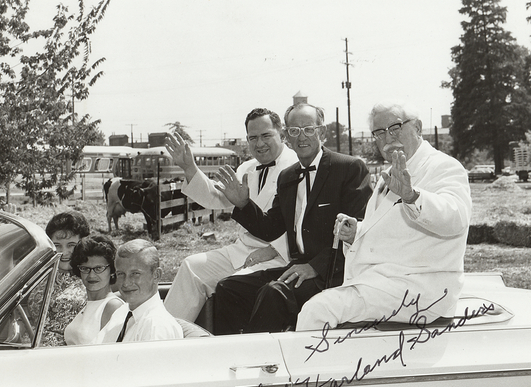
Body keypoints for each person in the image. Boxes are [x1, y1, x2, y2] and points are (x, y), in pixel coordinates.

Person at [296, 101, 472, 330]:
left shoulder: (444, 166)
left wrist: (412, 196)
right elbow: (390, 233)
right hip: (386, 282)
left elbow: (455, 219)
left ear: (417, 127)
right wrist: (356, 233)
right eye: (379, 132)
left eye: (395, 127)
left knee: (319, 310)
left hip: (422, 288)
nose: (388, 138)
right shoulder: (389, 175)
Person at [211, 102, 372, 334]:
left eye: (309, 129)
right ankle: (227, 357)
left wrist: (314, 267)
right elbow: (270, 229)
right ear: (287, 136)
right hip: (298, 269)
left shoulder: (348, 168)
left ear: (322, 132)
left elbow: (359, 233)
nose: (302, 136)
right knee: (229, 287)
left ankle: (260, 359)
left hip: (336, 271)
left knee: (274, 292)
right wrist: (243, 204)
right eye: (294, 131)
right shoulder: (287, 177)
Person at [163, 107, 299, 321]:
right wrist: (189, 168)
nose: (259, 144)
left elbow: (300, 219)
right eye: (253, 138)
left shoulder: (296, 166)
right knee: (191, 266)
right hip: (243, 249)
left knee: (233, 285)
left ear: (281, 134)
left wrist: (273, 250)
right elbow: (216, 197)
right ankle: (164, 338)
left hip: (279, 256)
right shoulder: (247, 168)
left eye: (266, 135)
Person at [97, 239, 184, 343]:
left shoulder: (156, 326)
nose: (126, 283)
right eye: (121, 274)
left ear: (156, 275)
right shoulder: (122, 312)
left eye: (135, 274)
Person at [63, 235, 125, 345]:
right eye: (85, 268)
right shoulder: (86, 304)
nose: (91, 275)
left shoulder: (113, 306)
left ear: (111, 270)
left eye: (99, 268)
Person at [40, 211, 89, 346]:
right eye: (57, 245)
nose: (64, 252)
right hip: (26, 350)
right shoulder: (41, 272)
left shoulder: (91, 276)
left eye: (71, 245)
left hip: (65, 357)